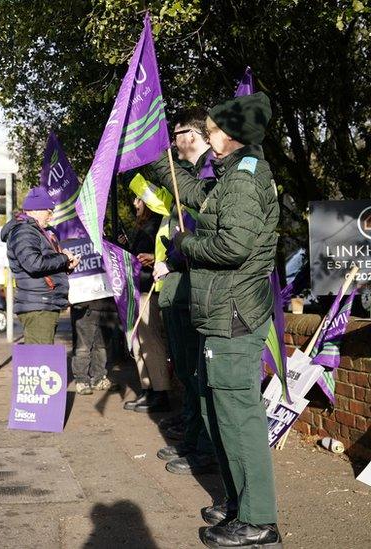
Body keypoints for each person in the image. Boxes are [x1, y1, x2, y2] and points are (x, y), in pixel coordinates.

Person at [148, 92, 281, 548]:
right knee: (222, 415)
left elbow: (233, 248)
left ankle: (259, 521)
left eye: (213, 128)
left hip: (235, 315)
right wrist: (159, 157)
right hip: (223, 313)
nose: (207, 134)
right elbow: (195, 196)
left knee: (239, 419)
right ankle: (238, 504)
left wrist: (185, 245)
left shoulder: (244, 180)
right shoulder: (231, 177)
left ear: (232, 135)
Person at [131, 107, 219, 476]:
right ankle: (193, 438)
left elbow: (208, 238)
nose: (172, 140)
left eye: (177, 132)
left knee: (200, 376)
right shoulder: (189, 180)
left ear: (193, 135)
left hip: (191, 287)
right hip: (176, 288)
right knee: (187, 370)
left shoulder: (210, 177)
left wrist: (176, 260)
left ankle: (204, 449)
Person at [1, 186, 79, 345]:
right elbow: (34, 264)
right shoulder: (24, 232)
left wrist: (66, 266)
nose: (51, 217)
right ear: (34, 210)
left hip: (43, 303)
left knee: (41, 360)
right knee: (40, 361)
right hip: (38, 305)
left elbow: (43, 266)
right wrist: (63, 258)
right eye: (49, 211)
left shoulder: (37, 232)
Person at [118, 197, 171, 412]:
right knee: (139, 342)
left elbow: (164, 254)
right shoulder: (143, 227)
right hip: (139, 288)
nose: (134, 203)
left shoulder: (156, 225)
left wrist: (152, 257)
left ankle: (160, 392)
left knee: (150, 341)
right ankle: (147, 389)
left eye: (139, 199)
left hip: (150, 289)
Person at [70, 296, 120, 394]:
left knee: (103, 347)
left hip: (109, 307)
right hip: (85, 306)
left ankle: (99, 378)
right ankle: (81, 380)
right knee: (83, 347)